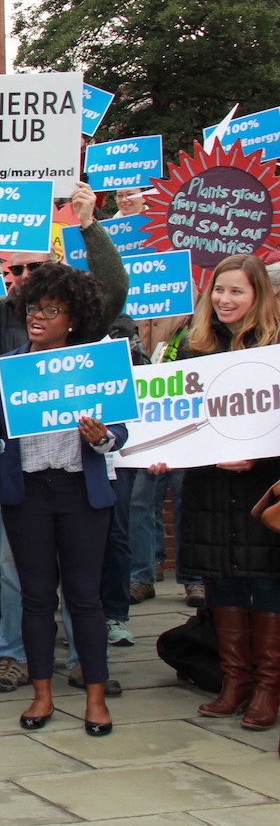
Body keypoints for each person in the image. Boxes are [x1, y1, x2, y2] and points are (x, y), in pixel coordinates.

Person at [0, 180, 127, 695]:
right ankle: (13, 653)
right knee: (16, 569)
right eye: (14, 270)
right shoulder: (2, 316)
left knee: (80, 579)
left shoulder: (82, 322)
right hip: (20, 469)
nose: (23, 279)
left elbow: (114, 286)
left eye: (33, 268)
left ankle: (83, 660)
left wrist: (90, 225)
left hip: (75, 471)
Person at [162, 255, 280, 730]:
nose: (225, 300)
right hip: (210, 489)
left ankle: (268, 688)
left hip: (260, 491)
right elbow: (177, 422)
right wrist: (164, 451)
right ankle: (234, 682)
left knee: (268, 582)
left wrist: (260, 459)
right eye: (218, 290)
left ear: (259, 297)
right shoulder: (194, 352)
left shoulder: (275, 351)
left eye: (236, 291)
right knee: (222, 580)